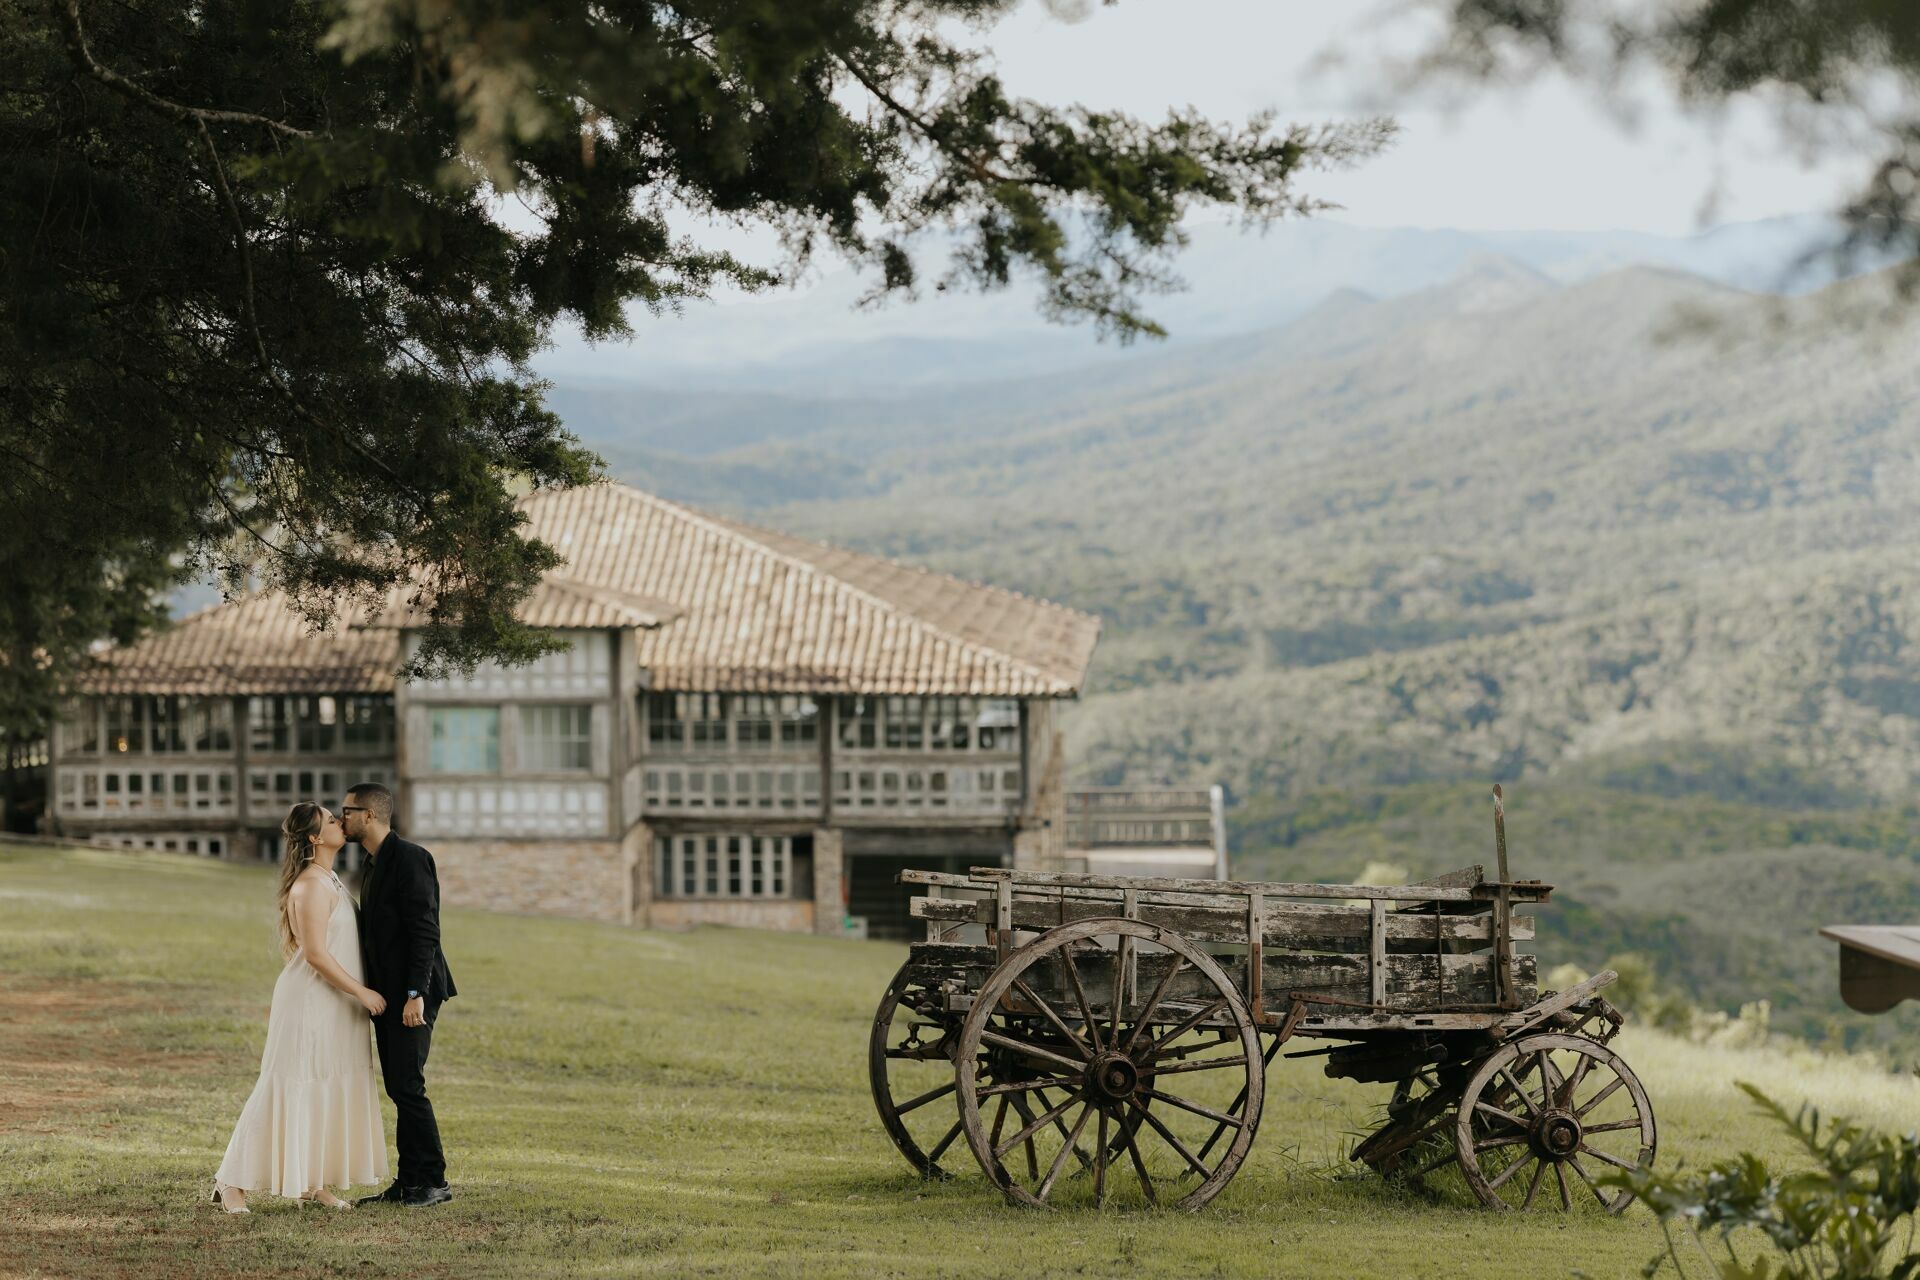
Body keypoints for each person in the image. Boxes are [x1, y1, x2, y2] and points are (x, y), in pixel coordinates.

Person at [211, 803, 389, 1213]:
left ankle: (312, 1182)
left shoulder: (332, 880)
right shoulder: (310, 885)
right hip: (310, 1002)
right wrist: (363, 993)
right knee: (289, 1083)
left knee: (324, 1084)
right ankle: (230, 1181)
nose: (339, 822)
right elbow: (315, 955)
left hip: (336, 1005)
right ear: (313, 838)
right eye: (330, 820)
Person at [342, 782, 457, 1208]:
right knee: (399, 1087)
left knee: (408, 1086)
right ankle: (409, 1182)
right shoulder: (373, 863)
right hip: (387, 995)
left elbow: (425, 929)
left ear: (370, 815)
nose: (342, 818)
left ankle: (433, 1182)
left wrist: (415, 994)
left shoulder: (410, 858)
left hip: (415, 993)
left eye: (347, 810)